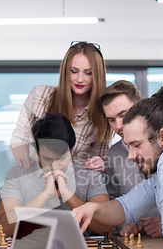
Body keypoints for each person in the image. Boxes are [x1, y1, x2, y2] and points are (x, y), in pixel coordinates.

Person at [73, 86, 163, 249]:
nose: (131, 156)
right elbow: (125, 207)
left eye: (137, 145)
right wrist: (93, 207)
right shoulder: (158, 174)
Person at [0, 113, 113, 238]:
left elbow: (108, 228)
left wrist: (67, 195)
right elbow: (0, 229)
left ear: (71, 151)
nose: (54, 166)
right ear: (36, 151)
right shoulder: (17, 175)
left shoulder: (89, 174)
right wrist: (44, 196)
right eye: (47, 158)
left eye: (61, 159)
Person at [10, 41, 111, 172]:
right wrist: (25, 163)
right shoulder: (40, 95)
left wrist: (101, 166)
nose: (80, 79)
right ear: (65, 72)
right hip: (34, 176)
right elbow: (19, 138)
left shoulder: (103, 113)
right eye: (74, 71)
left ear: (97, 75)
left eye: (88, 73)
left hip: (74, 184)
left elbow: (96, 162)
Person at [101, 81, 162, 238]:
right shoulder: (113, 155)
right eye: (111, 120)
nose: (118, 125)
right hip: (136, 244)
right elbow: (113, 200)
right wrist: (122, 224)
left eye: (123, 115)